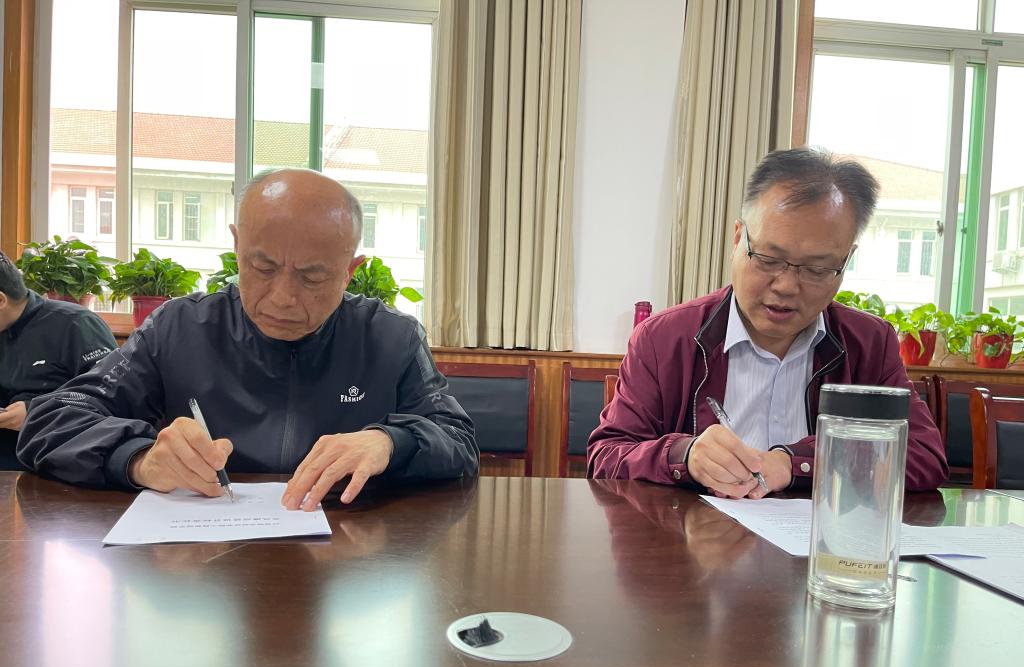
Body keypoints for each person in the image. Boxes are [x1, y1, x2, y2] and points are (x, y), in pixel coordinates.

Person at [18, 169, 479, 506]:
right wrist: (138, 457)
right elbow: (53, 419)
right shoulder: (178, 328)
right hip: (203, 560)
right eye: (262, 267)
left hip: (351, 552)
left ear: (350, 271)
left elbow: (457, 440)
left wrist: (389, 442)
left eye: (313, 277)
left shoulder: (390, 336)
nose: (283, 298)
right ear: (237, 246)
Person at [588, 147, 948, 496]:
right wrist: (685, 455)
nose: (786, 286)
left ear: (845, 261)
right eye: (768, 259)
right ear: (738, 239)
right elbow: (607, 456)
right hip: (694, 534)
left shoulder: (868, 343)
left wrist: (794, 464)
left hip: (818, 535)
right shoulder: (664, 339)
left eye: (817, 268)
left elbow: (923, 456)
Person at [0, 252, 116, 470]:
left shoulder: (76, 324)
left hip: (60, 461)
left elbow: (111, 395)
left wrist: (37, 412)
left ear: (1, 300)